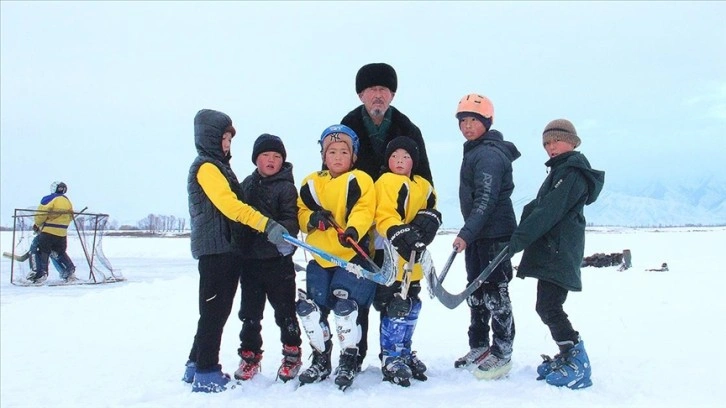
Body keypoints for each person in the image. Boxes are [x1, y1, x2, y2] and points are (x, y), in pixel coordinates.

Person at [182, 109, 290, 393]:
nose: (227, 144)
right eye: (224, 138)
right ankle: (206, 371)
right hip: (216, 252)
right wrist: (265, 224)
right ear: (210, 137)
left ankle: (194, 364)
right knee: (214, 313)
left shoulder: (218, 167)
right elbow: (229, 205)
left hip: (226, 250)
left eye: (230, 139)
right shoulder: (207, 167)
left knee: (214, 311)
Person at [340, 62, 434, 372]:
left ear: (392, 94)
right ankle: (355, 354)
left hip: (400, 230)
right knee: (361, 289)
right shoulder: (348, 126)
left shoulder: (409, 129)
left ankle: (395, 353)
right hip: (361, 226)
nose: (378, 96)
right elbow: (338, 173)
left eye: (384, 90)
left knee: (401, 289)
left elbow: (424, 181)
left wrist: (425, 217)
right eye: (372, 90)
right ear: (360, 94)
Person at [507, 119, 605, 390]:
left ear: (572, 142)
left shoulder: (572, 173)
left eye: (556, 141)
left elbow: (548, 211)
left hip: (559, 251)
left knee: (549, 306)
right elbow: (537, 207)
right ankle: (568, 355)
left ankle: (577, 362)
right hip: (554, 250)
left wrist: (516, 242)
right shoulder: (561, 172)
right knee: (547, 306)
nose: (551, 147)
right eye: (547, 143)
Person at [295, 124, 377, 390]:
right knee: (311, 311)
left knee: (345, 309)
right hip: (320, 258)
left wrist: (353, 229)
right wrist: (311, 219)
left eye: (344, 151)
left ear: (353, 156)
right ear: (323, 155)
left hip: (351, 258)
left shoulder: (360, 179)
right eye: (332, 151)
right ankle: (321, 358)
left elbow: (364, 209)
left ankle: (349, 359)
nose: (338, 156)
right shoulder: (311, 182)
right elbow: (300, 210)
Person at [452, 94, 520, 380]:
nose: (467, 126)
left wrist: (466, 233)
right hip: (480, 235)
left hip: (495, 235)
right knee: (476, 292)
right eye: (463, 121)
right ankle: (479, 346)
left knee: (495, 293)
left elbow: (486, 199)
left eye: (474, 121)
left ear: (487, 122)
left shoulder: (489, 153)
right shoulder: (475, 150)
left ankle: (502, 352)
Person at [231, 134, 303, 382]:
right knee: (250, 313)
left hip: (278, 263)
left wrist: (280, 232)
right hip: (250, 263)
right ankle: (250, 355)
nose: (271, 160)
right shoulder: (247, 185)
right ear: (256, 159)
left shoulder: (286, 187)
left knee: (285, 312)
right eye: (266, 156)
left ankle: (292, 353)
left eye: (277, 156)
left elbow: (291, 220)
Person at [373, 136, 441, 387]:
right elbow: (383, 213)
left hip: (414, 257)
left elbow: (431, 206)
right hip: (391, 253)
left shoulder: (423, 184)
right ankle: (390, 355)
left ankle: (404, 349)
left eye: (405, 157)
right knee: (395, 303)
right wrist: (398, 231)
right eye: (394, 156)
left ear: (414, 161)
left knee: (412, 303)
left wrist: (430, 220)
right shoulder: (386, 181)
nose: (399, 161)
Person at [26, 181, 77, 283]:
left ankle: (39, 273)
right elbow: (71, 217)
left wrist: (37, 224)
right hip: (62, 233)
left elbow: (41, 215)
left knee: (36, 248)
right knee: (58, 252)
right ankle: (69, 272)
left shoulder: (48, 199)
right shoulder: (67, 201)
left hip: (48, 232)